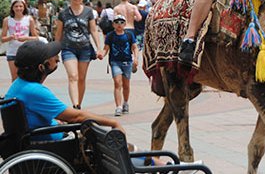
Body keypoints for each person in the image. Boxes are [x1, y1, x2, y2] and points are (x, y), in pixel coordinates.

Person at [4, 40, 175, 167]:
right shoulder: (34, 91)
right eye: (52, 57)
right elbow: (76, 116)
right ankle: (158, 165)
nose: (56, 59)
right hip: (55, 147)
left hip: (41, 140)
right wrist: (112, 122)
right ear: (42, 67)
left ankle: (157, 164)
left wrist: (55, 122)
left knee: (114, 144)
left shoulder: (18, 87)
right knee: (109, 144)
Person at [55, 0, 103, 109]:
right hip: (68, 48)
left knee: (81, 78)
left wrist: (99, 48)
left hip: (84, 49)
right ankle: (75, 104)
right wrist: (54, 51)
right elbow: (58, 33)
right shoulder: (63, 13)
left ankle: (79, 105)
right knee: (73, 76)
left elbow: (93, 30)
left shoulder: (88, 12)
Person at [102, 15, 139, 117]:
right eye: (117, 22)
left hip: (127, 62)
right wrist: (102, 54)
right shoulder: (110, 36)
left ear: (125, 24)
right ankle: (118, 107)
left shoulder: (129, 35)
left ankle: (125, 103)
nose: (119, 24)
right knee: (117, 83)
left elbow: (135, 47)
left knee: (126, 85)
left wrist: (136, 58)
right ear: (113, 24)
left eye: (122, 22)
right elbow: (106, 48)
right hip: (115, 62)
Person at [2, 0, 40, 81]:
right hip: (12, 52)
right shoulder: (7, 20)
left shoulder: (29, 19)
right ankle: (15, 94)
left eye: (20, 6)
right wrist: (11, 37)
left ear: (24, 7)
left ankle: (25, 94)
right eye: (16, 6)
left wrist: (26, 38)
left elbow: (36, 37)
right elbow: (2, 38)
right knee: (15, 78)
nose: (18, 8)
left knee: (26, 77)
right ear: (12, 7)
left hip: (26, 52)